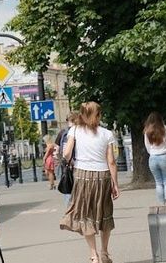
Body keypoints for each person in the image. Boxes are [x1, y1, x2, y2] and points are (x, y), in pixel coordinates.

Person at [59, 101, 119, 263]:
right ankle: (104, 252)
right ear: (97, 115)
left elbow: (66, 154)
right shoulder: (107, 134)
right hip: (103, 177)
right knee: (105, 213)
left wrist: (71, 161)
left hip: (82, 176)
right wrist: (115, 184)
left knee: (85, 215)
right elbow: (111, 161)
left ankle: (94, 255)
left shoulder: (75, 130)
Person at [143, 112, 166, 206]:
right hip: (164, 156)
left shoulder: (147, 131)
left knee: (158, 183)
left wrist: (153, 152)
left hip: (152, 158)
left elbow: (147, 147)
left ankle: (162, 204)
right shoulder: (165, 128)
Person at [55, 112, 79, 204]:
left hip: (66, 166)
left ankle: (70, 209)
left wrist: (61, 159)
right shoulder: (80, 132)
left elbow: (57, 151)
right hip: (79, 165)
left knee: (68, 188)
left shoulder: (62, 133)